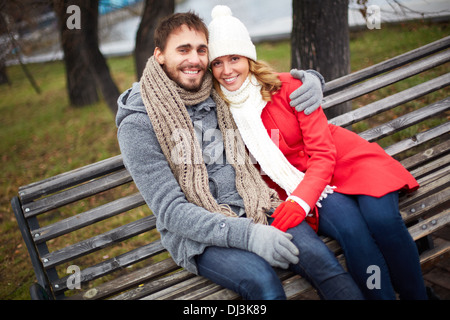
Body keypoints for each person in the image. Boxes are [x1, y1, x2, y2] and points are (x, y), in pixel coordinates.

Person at [116, 11, 364, 300]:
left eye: (201, 50)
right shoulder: (138, 124)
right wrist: (248, 235)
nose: (194, 59)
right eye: (182, 50)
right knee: (263, 283)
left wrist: (310, 80)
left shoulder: (216, 91)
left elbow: (262, 84)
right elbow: (171, 212)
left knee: (325, 265)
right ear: (159, 55)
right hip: (200, 236)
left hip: (258, 204)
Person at [207, 5, 428, 300]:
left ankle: (417, 295)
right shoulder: (217, 110)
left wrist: (300, 200)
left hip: (345, 162)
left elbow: (323, 153)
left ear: (248, 56)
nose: (227, 70)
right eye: (217, 63)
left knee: (382, 220)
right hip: (304, 184)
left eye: (234, 58)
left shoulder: (289, 88)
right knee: (353, 232)